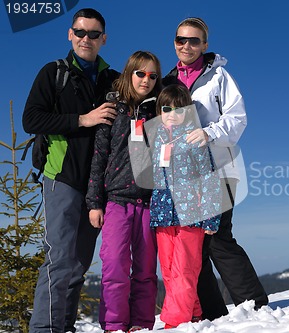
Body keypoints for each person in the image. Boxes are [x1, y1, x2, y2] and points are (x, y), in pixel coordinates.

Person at [162, 17, 269, 320]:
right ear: (174, 42)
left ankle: (254, 304)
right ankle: (211, 313)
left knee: (217, 237)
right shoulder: (167, 82)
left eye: (194, 41)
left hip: (220, 167)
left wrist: (209, 133)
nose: (187, 46)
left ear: (205, 45)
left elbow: (238, 118)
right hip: (184, 175)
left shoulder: (218, 77)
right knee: (195, 243)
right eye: (181, 40)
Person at [22, 8, 119, 333]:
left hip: (97, 186)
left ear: (103, 39)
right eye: (80, 32)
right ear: (69, 34)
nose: (85, 39)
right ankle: (43, 329)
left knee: (78, 264)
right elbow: (31, 119)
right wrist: (82, 119)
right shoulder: (54, 73)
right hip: (61, 177)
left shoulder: (112, 79)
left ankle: (63, 326)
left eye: (93, 34)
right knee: (60, 258)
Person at [85, 51, 162, 332]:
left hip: (149, 202)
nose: (146, 80)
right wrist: (95, 202)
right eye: (140, 73)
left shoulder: (159, 111)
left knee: (144, 271)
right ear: (129, 73)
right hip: (116, 200)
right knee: (115, 266)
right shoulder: (113, 107)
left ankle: (141, 324)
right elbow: (99, 156)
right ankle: (115, 325)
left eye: (153, 75)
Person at [149, 84, 221, 328]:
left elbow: (209, 180)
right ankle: (193, 314)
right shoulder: (156, 140)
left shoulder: (194, 138)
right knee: (169, 269)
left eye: (178, 109)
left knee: (184, 269)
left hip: (191, 215)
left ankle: (174, 322)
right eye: (166, 108)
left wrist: (211, 218)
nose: (172, 114)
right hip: (163, 214)